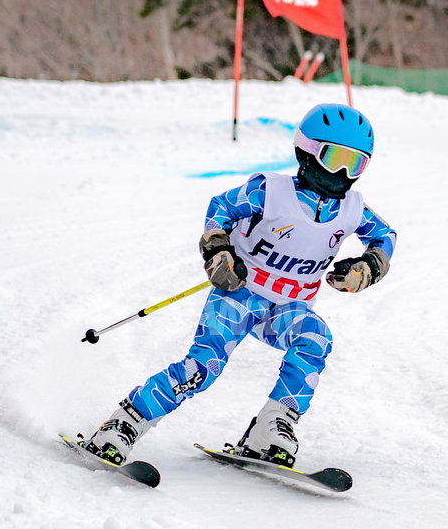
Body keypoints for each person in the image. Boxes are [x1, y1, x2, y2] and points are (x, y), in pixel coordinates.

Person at [82, 102, 396, 467]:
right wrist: (219, 250)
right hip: (239, 294)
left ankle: (272, 426)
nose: (342, 171)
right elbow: (221, 208)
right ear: (307, 152)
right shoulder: (270, 191)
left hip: (289, 309)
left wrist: (369, 266)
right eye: (334, 157)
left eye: (355, 163)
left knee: (315, 340)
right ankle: (125, 423)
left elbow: (384, 236)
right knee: (203, 368)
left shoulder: (352, 208)